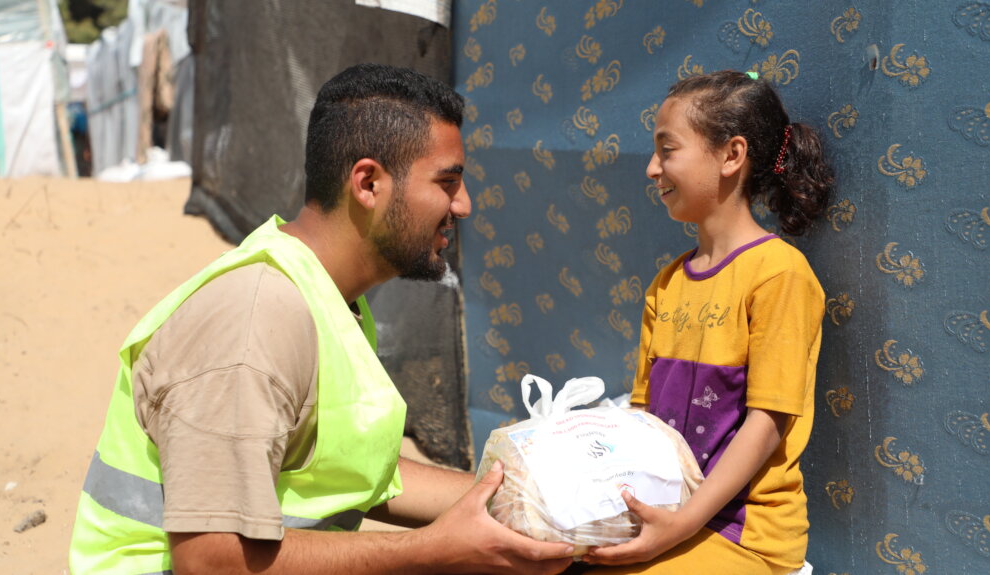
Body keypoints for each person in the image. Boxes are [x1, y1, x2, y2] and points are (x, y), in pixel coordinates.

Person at [69, 63, 574, 575]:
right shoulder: (255, 324)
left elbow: (354, 475)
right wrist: (433, 549)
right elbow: (211, 560)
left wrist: (542, 505)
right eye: (447, 182)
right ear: (368, 183)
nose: (463, 205)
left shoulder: (323, 298)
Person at [581, 70, 834, 574]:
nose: (652, 168)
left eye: (667, 149)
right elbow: (644, 418)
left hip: (745, 535)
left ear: (731, 155)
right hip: (671, 516)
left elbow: (766, 425)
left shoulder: (779, 274)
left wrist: (680, 524)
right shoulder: (666, 283)